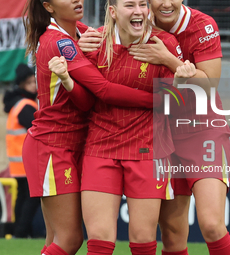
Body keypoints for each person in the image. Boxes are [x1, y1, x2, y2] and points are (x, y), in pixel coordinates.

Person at [22, 0, 165, 255]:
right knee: (69, 239)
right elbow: (103, 90)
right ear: (49, 6)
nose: (77, 0)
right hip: (53, 145)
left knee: (56, 239)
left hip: (73, 144)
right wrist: (158, 99)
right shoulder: (59, 42)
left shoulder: (80, 34)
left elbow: (87, 101)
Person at [55, 0, 194, 254]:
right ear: (112, 11)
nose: (139, 11)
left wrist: (179, 84)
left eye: (143, 4)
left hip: (148, 150)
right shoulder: (93, 42)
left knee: (142, 239)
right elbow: (86, 102)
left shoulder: (164, 46)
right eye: (130, 5)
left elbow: (178, 106)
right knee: (98, 239)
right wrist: (66, 77)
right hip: (101, 149)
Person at [127, 1, 230, 255]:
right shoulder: (139, 21)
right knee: (172, 235)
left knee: (211, 225)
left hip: (203, 128)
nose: (166, 3)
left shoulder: (202, 24)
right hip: (162, 132)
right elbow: (111, 28)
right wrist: (84, 37)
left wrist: (167, 58)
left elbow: (209, 85)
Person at [3, 63, 41, 238]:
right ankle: (21, 232)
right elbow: (37, 129)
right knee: (31, 199)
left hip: (17, 163)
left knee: (23, 197)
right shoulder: (26, 105)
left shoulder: (17, 104)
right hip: (27, 161)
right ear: (22, 85)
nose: (34, 85)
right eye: (30, 83)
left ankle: (19, 231)